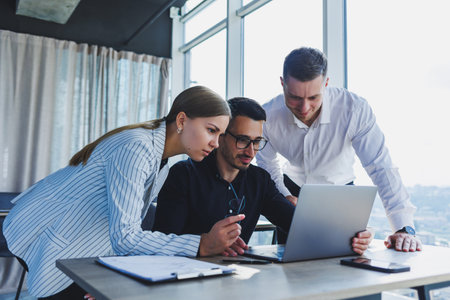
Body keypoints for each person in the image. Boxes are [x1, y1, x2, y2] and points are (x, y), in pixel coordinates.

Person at [2, 86, 244, 299]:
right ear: (181, 120)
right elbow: (126, 236)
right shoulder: (136, 148)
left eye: (221, 135)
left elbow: (118, 224)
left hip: (80, 241)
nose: (216, 143)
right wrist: (200, 244)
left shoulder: (161, 162)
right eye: (211, 130)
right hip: (44, 232)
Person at [152, 97, 372, 256]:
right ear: (221, 135)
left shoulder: (259, 180)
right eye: (242, 140)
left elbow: (298, 225)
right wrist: (205, 243)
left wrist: (352, 236)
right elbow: (163, 241)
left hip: (233, 283)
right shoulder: (183, 175)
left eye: (257, 142)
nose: (251, 151)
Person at [256, 47, 421, 252]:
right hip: (292, 192)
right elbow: (268, 165)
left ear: (326, 84)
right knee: (290, 267)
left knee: (346, 266)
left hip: (342, 193)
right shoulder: (267, 116)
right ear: (283, 84)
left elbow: (380, 166)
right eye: (295, 97)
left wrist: (403, 227)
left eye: (313, 97)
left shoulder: (354, 109)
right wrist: (284, 196)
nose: (304, 108)